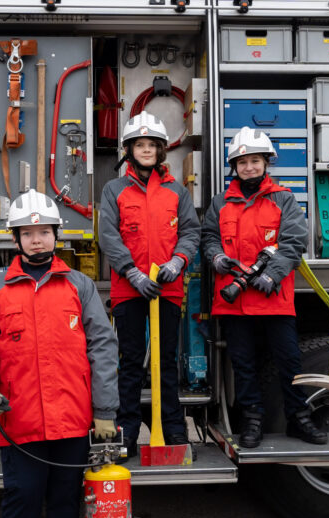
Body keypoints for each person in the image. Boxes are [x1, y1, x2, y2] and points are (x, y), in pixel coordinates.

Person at [0, 189, 119, 518]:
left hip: (73, 421)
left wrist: (105, 410)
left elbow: (103, 347)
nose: (37, 240)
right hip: (20, 420)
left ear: (56, 235)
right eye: (28, 233)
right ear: (15, 238)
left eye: (44, 232)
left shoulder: (79, 286)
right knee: (23, 500)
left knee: (66, 503)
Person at [201, 126, 326, 448]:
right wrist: (215, 257)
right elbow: (209, 238)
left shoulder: (283, 199)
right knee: (244, 365)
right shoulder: (221, 203)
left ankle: (300, 419)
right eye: (243, 162)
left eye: (255, 160)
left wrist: (271, 275)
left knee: (290, 362)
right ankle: (252, 420)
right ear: (235, 167)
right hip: (235, 301)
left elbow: (294, 241)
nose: (249, 167)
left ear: (266, 162)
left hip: (274, 299)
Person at [98, 111, 201, 459]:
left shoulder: (176, 191)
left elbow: (191, 231)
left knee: (166, 359)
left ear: (160, 151)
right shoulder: (114, 190)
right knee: (129, 361)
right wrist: (133, 273)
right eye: (139, 145)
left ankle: (173, 427)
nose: (146, 150)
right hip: (129, 289)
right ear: (129, 150)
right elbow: (108, 236)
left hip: (168, 289)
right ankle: (127, 428)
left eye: (152, 145)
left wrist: (178, 261)